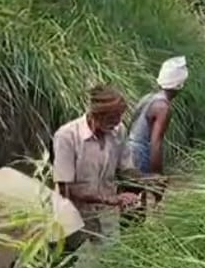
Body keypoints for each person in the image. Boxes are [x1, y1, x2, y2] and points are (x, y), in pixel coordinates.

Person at [52, 86, 142, 241]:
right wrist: (108, 198)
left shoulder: (118, 131)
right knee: (80, 260)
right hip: (78, 216)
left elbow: (126, 168)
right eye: (112, 117)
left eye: (120, 116)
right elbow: (65, 187)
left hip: (107, 215)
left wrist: (146, 181)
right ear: (95, 114)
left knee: (109, 258)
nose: (117, 121)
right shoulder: (67, 136)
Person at [129, 56, 187, 175]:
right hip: (140, 155)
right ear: (179, 86)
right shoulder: (163, 108)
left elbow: (132, 123)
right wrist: (157, 174)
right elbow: (156, 143)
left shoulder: (148, 98)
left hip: (127, 151)